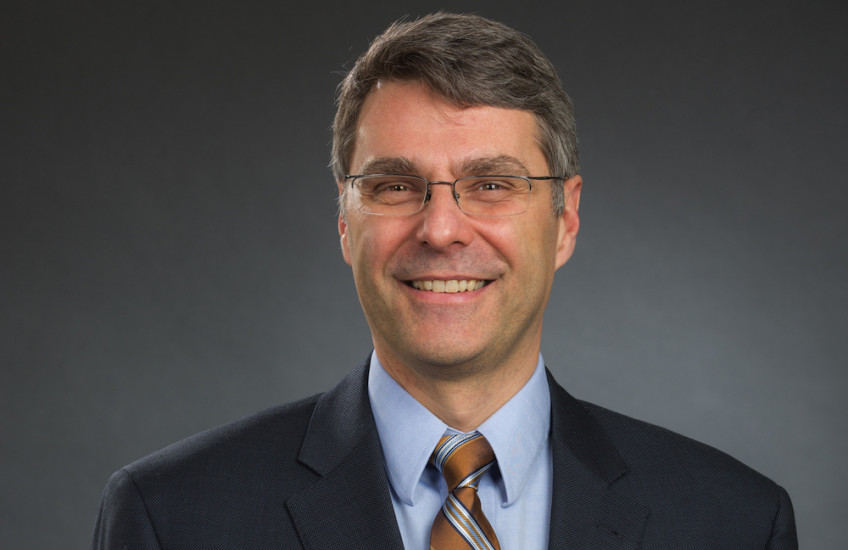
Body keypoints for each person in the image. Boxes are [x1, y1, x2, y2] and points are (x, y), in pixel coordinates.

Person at [92, 12, 797, 549]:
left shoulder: (732, 521)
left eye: (491, 184)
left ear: (566, 219)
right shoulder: (174, 517)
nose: (441, 229)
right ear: (345, 221)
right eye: (396, 186)